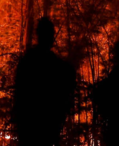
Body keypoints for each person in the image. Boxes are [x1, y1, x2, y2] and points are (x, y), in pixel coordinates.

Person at [12, 17, 77, 146]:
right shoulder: (53, 63)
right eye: (51, 34)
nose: (52, 38)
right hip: (42, 126)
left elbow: (19, 94)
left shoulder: (29, 60)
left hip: (31, 125)